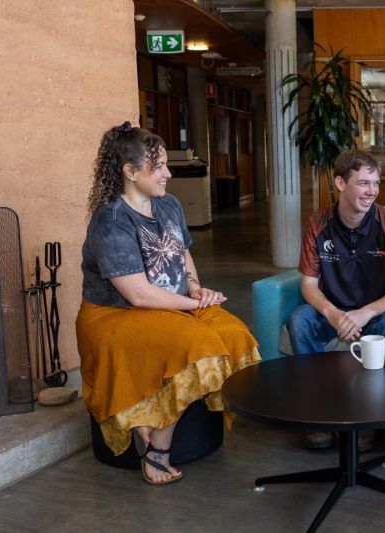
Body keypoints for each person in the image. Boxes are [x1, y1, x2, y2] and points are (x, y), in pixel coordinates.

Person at [76, 122, 261, 486]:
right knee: (198, 346)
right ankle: (156, 450)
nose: (167, 173)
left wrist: (195, 289)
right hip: (117, 315)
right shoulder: (112, 221)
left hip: (173, 303)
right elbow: (138, 295)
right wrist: (191, 306)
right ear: (129, 172)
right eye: (157, 166)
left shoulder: (169, 205)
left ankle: (158, 419)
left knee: (234, 333)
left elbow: (182, 254)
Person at [287, 149, 385, 450]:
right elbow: (308, 285)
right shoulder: (317, 223)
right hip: (332, 311)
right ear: (340, 184)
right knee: (299, 319)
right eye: (363, 183)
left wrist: (363, 314)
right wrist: (334, 314)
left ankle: (372, 417)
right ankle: (317, 415)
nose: (371, 191)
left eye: (374, 183)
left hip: (375, 314)